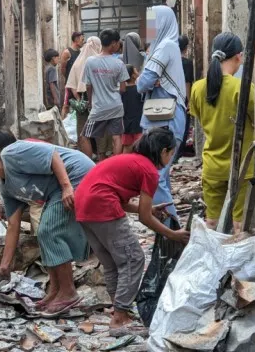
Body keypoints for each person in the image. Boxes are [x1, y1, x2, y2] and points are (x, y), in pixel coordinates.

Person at [0, 138, 93, 317]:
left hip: (77, 174)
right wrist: (4, 265)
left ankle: (68, 292)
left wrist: (67, 187)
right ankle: (55, 290)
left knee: (48, 230)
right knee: (43, 234)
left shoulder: (11, 154)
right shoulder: (7, 188)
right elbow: (13, 226)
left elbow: (52, 155)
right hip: (57, 191)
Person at [74, 128, 191, 329]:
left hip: (82, 206)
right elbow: (144, 218)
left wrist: (150, 209)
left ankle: (118, 310)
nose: (171, 158)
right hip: (102, 206)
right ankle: (119, 316)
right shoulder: (149, 171)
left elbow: (121, 198)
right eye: (171, 154)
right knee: (133, 258)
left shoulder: (131, 160)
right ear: (163, 152)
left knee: (112, 263)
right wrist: (173, 234)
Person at [190, 32, 255, 234]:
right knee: (240, 225)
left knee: (212, 223)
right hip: (241, 165)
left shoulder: (198, 88)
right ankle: (236, 265)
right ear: (239, 56)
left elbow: (201, 120)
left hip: (212, 165)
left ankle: (214, 264)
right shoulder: (242, 88)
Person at [137, 6, 187, 218]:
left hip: (167, 119)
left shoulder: (165, 46)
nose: (149, 29)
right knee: (160, 177)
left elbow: (142, 83)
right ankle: (170, 232)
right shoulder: (165, 47)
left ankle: (170, 232)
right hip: (164, 118)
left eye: (152, 23)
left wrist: (145, 80)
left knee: (155, 177)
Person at [82, 29, 129, 157]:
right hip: (116, 106)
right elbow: (123, 89)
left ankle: (89, 166)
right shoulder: (119, 63)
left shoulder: (90, 62)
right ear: (113, 43)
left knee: (85, 136)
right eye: (118, 42)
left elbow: (88, 86)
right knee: (116, 137)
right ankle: (117, 167)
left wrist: (91, 103)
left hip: (99, 107)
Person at [66, 37, 102, 158]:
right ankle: (101, 158)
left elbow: (72, 85)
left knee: (83, 132)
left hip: (83, 100)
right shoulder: (100, 61)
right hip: (99, 100)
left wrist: (79, 99)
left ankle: (87, 159)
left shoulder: (78, 62)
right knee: (99, 131)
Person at [174, 35, 195, 163]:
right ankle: (178, 153)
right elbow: (187, 83)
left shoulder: (171, 62)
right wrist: (189, 100)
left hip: (171, 97)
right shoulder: (186, 63)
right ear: (186, 47)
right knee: (184, 126)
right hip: (182, 97)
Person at [60, 32, 85, 118]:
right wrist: (69, 79)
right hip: (70, 84)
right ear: (76, 39)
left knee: (80, 104)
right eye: (82, 39)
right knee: (66, 105)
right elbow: (62, 69)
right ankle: (63, 124)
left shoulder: (82, 52)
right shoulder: (67, 52)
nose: (83, 41)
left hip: (80, 84)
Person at [121, 64, 143, 153]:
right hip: (138, 122)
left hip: (126, 122)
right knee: (140, 147)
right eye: (135, 70)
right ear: (133, 75)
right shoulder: (140, 90)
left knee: (127, 146)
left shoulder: (122, 91)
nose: (137, 72)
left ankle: (123, 164)